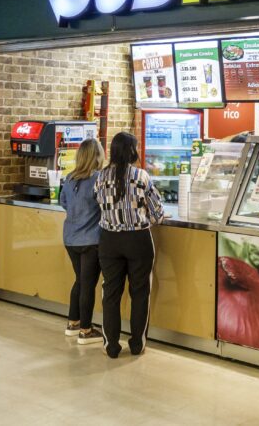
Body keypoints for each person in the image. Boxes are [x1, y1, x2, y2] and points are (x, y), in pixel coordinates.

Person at [94, 132, 165, 358]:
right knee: (140, 292)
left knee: (110, 294)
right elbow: (157, 213)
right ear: (132, 151)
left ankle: (111, 346)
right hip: (138, 240)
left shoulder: (100, 177)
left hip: (109, 240)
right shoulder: (141, 176)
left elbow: (98, 204)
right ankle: (137, 344)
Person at [59, 137, 105, 345]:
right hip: (91, 239)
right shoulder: (98, 179)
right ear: (97, 156)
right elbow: (106, 205)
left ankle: (73, 322)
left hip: (70, 238)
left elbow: (64, 203)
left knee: (79, 280)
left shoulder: (69, 178)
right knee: (88, 283)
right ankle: (86, 330)